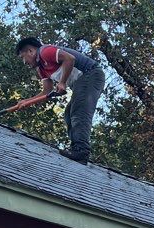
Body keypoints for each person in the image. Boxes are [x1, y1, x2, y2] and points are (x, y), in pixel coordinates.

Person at [13, 36, 105, 164]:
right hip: (82, 81)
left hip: (91, 74)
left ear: (30, 51)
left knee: (79, 112)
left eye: (23, 57)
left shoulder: (45, 51)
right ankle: (76, 148)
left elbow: (69, 59)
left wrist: (62, 82)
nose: (24, 62)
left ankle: (81, 151)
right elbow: (47, 91)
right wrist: (27, 102)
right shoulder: (41, 68)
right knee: (68, 115)